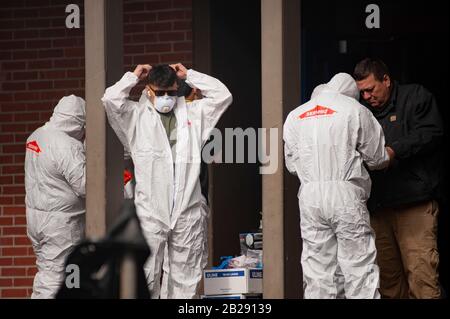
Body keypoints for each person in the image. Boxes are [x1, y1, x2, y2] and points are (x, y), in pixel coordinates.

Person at [102, 63, 232, 298]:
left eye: (171, 92)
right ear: (149, 90)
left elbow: (223, 96)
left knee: (187, 279)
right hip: (150, 210)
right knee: (145, 275)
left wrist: (189, 75)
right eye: (159, 92)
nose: (166, 97)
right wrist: (134, 76)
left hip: (187, 210)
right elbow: (111, 99)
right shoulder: (136, 117)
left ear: (177, 88)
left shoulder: (193, 113)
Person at [283, 73, 391, 299]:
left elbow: (292, 165)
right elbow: (378, 158)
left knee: (317, 270)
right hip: (345, 194)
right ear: (351, 94)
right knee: (359, 266)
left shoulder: (295, 115)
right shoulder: (355, 110)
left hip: (310, 196)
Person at [354, 58, 444, 299]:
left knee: (422, 275)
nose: (366, 97)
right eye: (361, 92)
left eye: (370, 89)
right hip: (379, 208)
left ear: (386, 80)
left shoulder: (415, 96)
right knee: (388, 282)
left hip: (414, 204)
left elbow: (431, 133)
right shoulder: (361, 112)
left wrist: (394, 151)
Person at [25, 95, 86, 298]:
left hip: (37, 219)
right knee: (59, 279)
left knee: (48, 272)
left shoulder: (36, 136)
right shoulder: (67, 145)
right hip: (62, 225)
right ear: (78, 121)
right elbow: (85, 186)